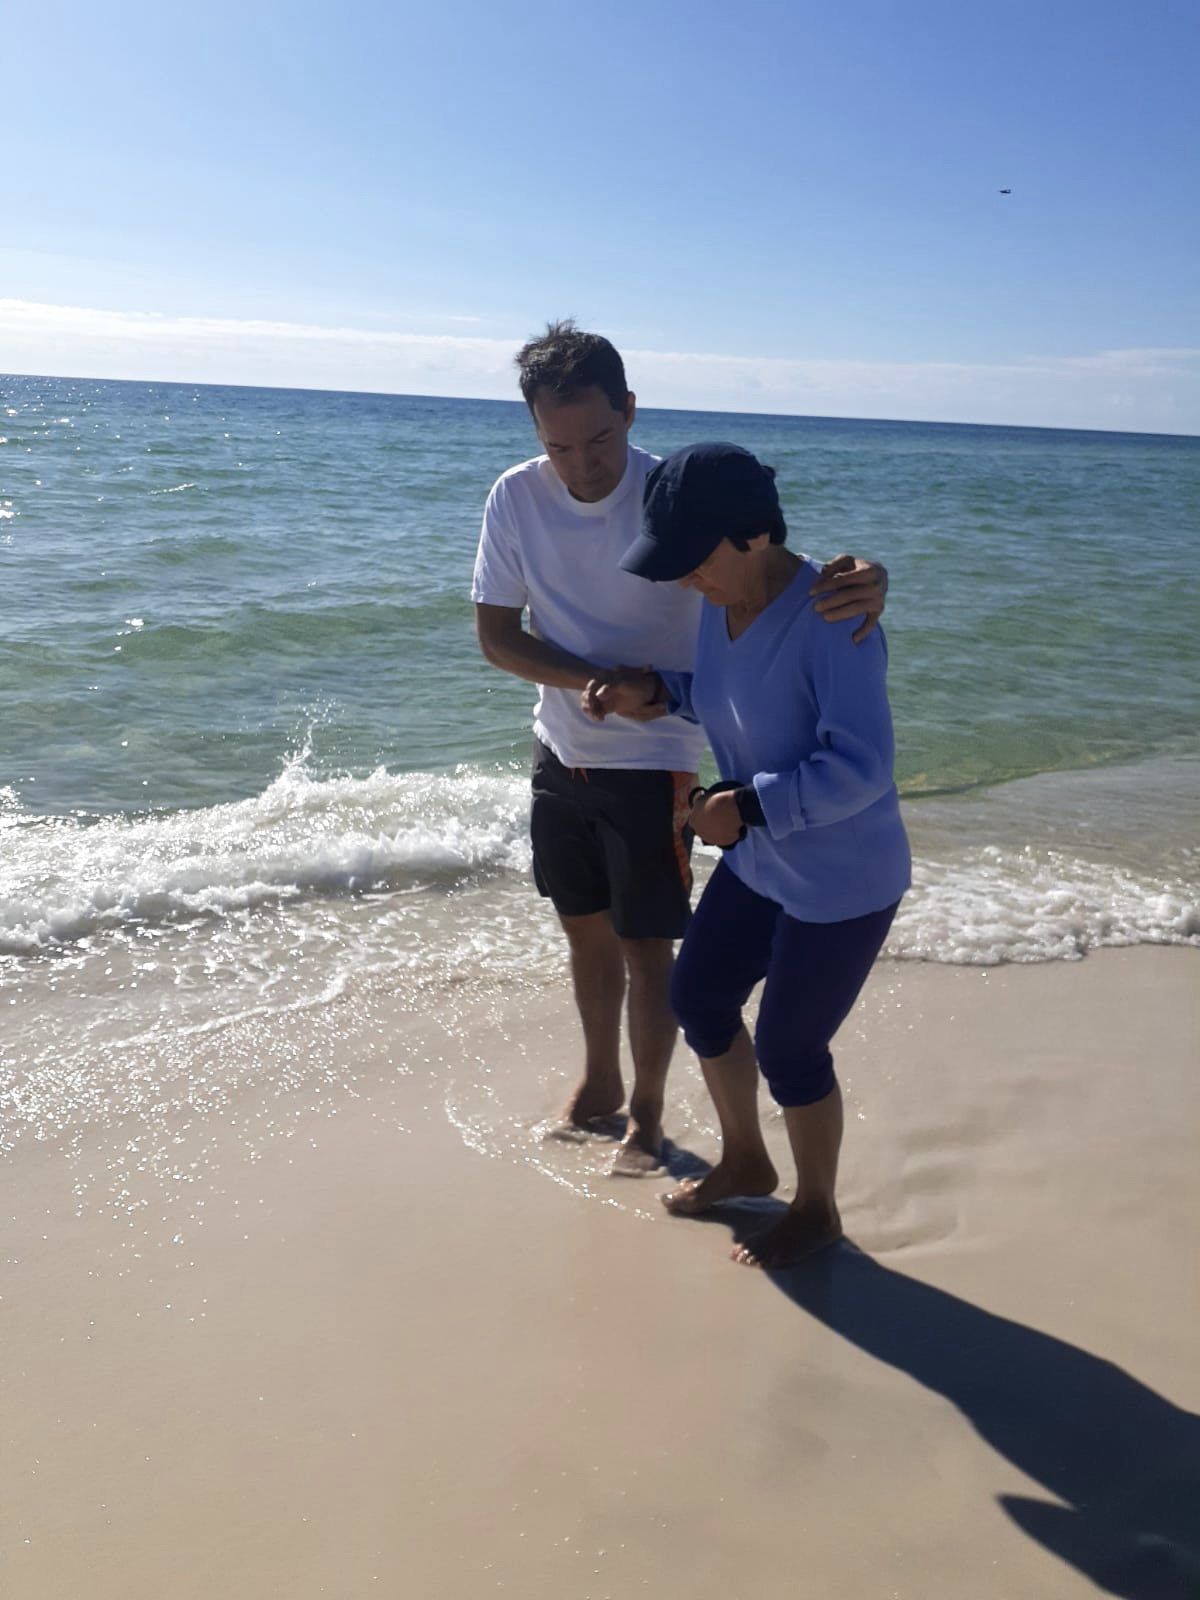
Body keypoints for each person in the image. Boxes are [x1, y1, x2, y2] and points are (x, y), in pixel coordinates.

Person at [472, 323, 889, 1176]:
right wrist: (623, 685)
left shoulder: (676, 493)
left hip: (678, 767)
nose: (583, 464)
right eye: (558, 445)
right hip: (585, 753)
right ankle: (619, 1096)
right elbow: (500, 638)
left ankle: (655, 1120)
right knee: (614, 948)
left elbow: (769, 563)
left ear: (630, 410)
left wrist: (865, 577)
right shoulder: (518, 497)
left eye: (599, 438)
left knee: (671, 962)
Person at [584, 442, 910, 1265]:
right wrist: (654, 692)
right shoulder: (718, 601)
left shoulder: (838, 619)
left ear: (754, 535)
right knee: (698, 997)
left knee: (792, 1049)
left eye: (693, 558)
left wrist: (748, 807)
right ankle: (745, 1158)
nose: (681, 577)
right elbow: (723, 692)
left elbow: (863, 767)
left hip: (843, 881)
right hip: (763, 859)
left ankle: (817, 1208)